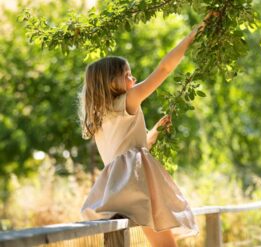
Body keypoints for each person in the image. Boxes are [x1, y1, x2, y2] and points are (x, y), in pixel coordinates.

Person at [78, 12, 217, 247]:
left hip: (117, 190)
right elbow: (163, 69)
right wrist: (194, 34)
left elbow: (129, 150)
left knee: (162, 244)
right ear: (112, 81)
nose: (133, 79)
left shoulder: (99, 118)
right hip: (135, 184)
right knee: (166, 245)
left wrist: (154, 132)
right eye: (127, 75)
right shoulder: (128, 100)